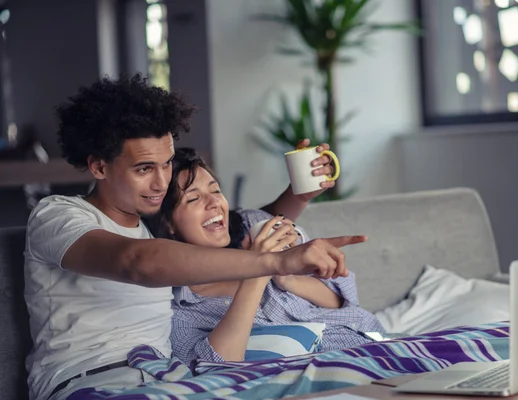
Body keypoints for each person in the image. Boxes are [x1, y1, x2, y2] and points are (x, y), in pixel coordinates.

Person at [24, 74, 365, 400]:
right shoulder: (59, 215)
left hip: (170, 378)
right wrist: (270, 262)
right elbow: (136, 262)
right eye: (144, 168)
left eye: (167, 163)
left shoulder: (153, 232)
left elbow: (238, 224)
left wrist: (298, 195)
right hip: (95, 380)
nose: (161, 182)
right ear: (99, 167)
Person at [147, 147, 384, 367]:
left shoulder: (253, 227)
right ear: (169, 223)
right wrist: (259, 270)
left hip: (375, 343)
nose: (214, 203)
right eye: (193, 198)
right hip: (325, 368)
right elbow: (214, 366)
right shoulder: (178, 304)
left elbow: (344, 304)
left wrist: (286, 277)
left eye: (215, 190)